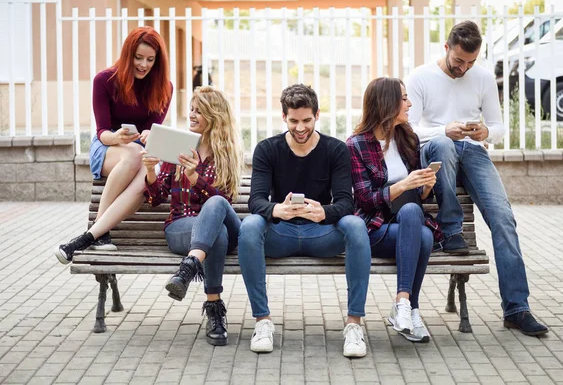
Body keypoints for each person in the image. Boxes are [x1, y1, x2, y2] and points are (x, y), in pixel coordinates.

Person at [406, 20, 548, 336]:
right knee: (443, 142)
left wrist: (485, 132)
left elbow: (498, 127)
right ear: (446, 48)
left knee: (504, 220)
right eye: (459, 62)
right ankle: (451, 231)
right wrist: (443, 130)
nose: (464, 69)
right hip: (437, 146)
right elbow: (409, 128)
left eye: (471, 62)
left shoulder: (482, 77)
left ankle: (517, 309)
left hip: (473, 151)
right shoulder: (420, 76)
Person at [237, 84, 372, 357]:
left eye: (307, 120)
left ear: (317, 115)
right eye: (294, 121)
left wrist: (325, 212)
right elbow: (256, 201)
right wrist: (276, 211)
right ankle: (262, 321)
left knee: (356, 225)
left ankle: (354, 325)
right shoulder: (267, 149)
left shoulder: (335, 149)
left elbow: (347, 202)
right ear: (283, 116)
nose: (300, 128)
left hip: (321, 235)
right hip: (280, 235)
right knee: (250, 224)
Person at [55, 26, 173, 263]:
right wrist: (117, 138)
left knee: (146, 169)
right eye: (138, 58)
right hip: (107, 147)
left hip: (140, 151)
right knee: (132, 155)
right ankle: (100, 233)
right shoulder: (104, 80)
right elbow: (101, 132)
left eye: (150, 59)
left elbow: (151, 128)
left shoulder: (164, 87)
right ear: (128, 55)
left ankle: (92, 235)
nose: (143, 64)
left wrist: (149, 134)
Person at [142, 87, 243, 346]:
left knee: (217, 208)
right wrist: (151, 171)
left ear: (214, 115)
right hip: (180, 228)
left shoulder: (226, 154)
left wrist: (195, 179)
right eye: (191, 109)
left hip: (224, 226)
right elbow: (155, 199)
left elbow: (225, 202)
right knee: (215, 235)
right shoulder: (179, 147)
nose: (192, 115)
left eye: (199, 111)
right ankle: (214, 310)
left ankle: (189, 268)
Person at [347, 77, 437, 343]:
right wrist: (401, 186)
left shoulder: (407, 138)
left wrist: (426, 186)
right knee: (422, 234)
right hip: (374, 229)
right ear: (388, 103)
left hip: (406, 222)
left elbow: (416, 198)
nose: (409, 104)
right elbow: (363, 200)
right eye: (404, 98)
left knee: (417, 222)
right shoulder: (356, 145)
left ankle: (404, 306)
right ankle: (410, 309)